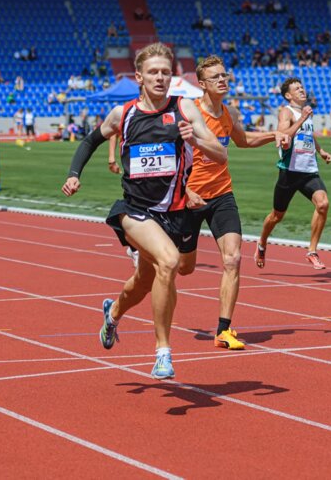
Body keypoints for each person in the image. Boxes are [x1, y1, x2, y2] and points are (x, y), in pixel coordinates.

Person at [61, 43, 226, 380]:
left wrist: (194, 138)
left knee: (143, 282)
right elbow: (89, 141)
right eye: (153, 72)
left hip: (174, 213)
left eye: (166, 72)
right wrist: (74, 174)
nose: (160, 77)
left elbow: (220, 155)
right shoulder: (124, 114)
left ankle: (113, 313)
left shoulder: (186, 110)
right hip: (134, 210)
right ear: (139, 76)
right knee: (170, 262)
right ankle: (163, 353)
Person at [179, 56, 287, 351]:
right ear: (201, 85)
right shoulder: (189, 113)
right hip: (189, 198)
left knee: (233, 259)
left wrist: (273, 135)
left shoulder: (230, 112)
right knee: (184, 267)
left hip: (222, 194)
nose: (223, 80)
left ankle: (223, 330)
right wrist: (186, 191)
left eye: (224, 75)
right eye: (215, 77)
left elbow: (242, 141)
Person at [252, 77, 331, 271]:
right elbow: (283, 135)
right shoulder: (286, 112)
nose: (302, 90)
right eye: (297, 89)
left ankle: (312, 251)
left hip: (309, 171)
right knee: (276, 216)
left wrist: (320, 151)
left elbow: (309, 134)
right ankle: (262, 243)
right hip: (289, 172)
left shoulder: (306, 113)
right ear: (288, 95)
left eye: (302, 87)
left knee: (323, 204)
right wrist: (303, 118)